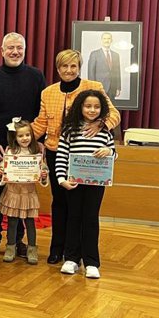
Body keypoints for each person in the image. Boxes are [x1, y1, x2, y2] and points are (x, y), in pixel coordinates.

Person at [31, 49, 120, 264]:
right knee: (59, 203)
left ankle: (80, 253)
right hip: (57, 154)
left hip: (87, 158)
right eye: (64, 66)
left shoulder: (94, 87)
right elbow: (41, 123)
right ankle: (57, 249)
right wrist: (17, 141)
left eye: (73, 66)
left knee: (82, 207)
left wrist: (101, 124)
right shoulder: (48, 92)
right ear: (58, 68)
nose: (69, 70)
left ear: (79, 67)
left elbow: (114, 114)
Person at [0, 32, 46, 259]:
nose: (15, 52)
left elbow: (41, 113)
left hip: (27, 150)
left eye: (19, 48)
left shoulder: (36, 76)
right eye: (11, 48)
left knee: (22, 197)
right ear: (2, 50)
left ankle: (16, 241)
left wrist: (37, 144)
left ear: (24, 50)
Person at [56, 90, 116, 279]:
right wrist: (61, 179)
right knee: (73, 218)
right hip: (73, 183)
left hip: (96, 184)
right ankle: (71, 259)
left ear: (102, 109)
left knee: (91, 219)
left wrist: (108, 152)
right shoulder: (69, 130)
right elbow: (61, 156)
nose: (92, 110)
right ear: (80, 107)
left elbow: (114, 154)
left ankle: (91, 262)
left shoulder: (105, 132)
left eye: (96, 106)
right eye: (88, 106)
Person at [0, 118, 49, 265]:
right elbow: (1, 167)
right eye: (20, 136)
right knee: (12, 222)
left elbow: (43, 169)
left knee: (30, 223)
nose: (25, 138)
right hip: (13, 192)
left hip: (28, 193)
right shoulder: (10, 151)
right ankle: (10, 248)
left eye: (27, 135)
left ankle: (32, 249)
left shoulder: (36, 151)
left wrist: (44, 175)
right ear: (14, 137)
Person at [87, 32, 121, 100]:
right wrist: (93, 88)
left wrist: (118, 88)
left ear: (111, 40)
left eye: (108, 38)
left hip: (112, 88)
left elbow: (118, 72)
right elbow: (91, 72)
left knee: (111, 109)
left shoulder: (116, 55)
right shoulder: (94, 54)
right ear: (101, 40)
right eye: (104, 38)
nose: (106, 40)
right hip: (99, 88)